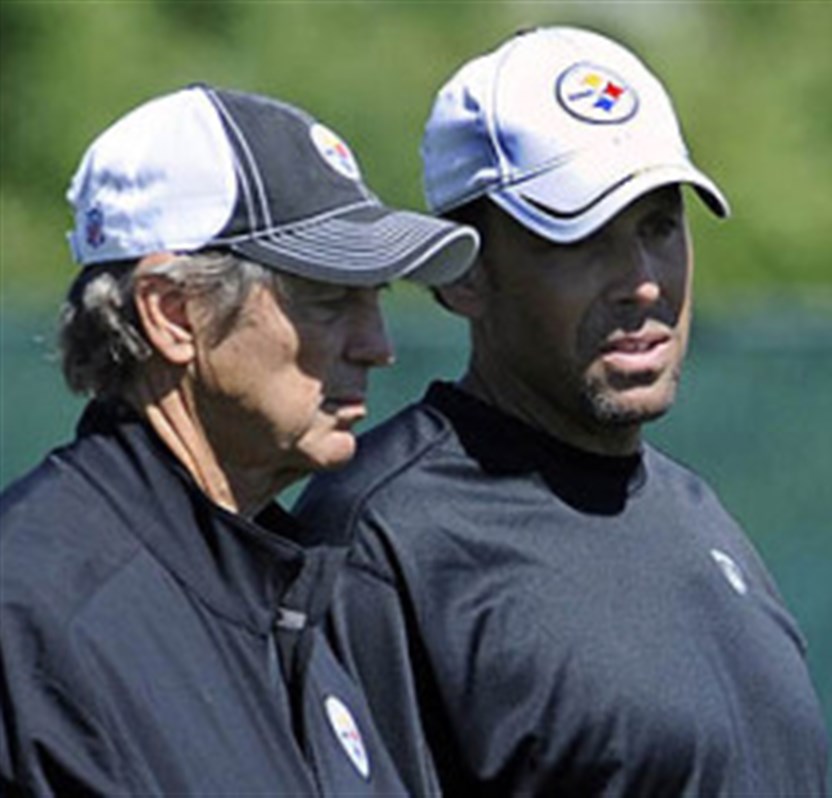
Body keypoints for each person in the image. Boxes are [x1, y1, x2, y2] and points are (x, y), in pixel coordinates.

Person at [298, 26, 828, 795]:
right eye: (580, 238)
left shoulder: (697, 513)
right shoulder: (381, 538)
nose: (643, 283)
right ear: (462, 274)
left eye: (659, 227)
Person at [0, 84, 478, 795]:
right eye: (328, 299)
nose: (377, 347)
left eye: (375, 298)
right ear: (173, 314)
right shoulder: (40, 615)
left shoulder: (286, 591)